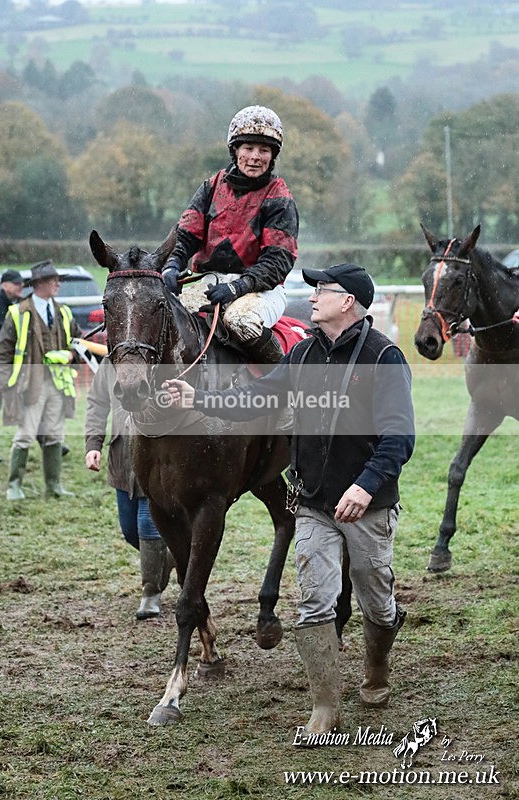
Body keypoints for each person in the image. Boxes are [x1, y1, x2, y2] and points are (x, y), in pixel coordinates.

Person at [163, 263, 415, 741]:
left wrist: (364, 487)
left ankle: (377, 662)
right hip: (315, 504)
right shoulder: (301, 354)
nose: (313, 296)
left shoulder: (384, 358)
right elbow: (257, 398)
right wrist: (198, 399)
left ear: (349, 303)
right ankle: (325, 705)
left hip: (370, 505)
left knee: (376, 604)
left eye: (324, 290)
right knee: (315, 601)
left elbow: (400, 437)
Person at [163, 104, 299, 365]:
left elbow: (277, 262)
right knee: (165, 313)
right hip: (210, 280)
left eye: (264, 150)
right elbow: (186, 235)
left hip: (261, 290)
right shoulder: (211, 186)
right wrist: (171, 265)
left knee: (239, 320)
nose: (255, 156)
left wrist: (238, 287)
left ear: (273, 156)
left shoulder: (279, 198)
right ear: (235, 150)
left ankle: (283, 387)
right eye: (248, 148)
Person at [85, 358, 174, 619]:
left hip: (155, 459)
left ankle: (151, 592)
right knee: (129, 530)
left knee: (148, 525)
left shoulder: (160, 357)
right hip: (121, 460)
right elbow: (97, 403)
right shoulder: (109, 364)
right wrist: (93, 444)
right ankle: (167, 559)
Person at [0, 260, 80, 500]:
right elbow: (2, 351)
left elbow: (76, 339)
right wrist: (4, 383)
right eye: (54, 280)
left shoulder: (62, 311)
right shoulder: (18, 313)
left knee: (55, 435)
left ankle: (54, 486)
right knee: (25, 434)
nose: (58, 284)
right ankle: (14, 486)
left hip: (58, 385)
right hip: (29, 385)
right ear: (40, 284)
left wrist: (72, 353)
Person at [0, 269, 24, 463]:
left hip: (16, 368)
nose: (21, 286)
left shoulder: (19, 307)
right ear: (5, 285)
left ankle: (48, 442)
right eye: (17, 283)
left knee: (28, 404)